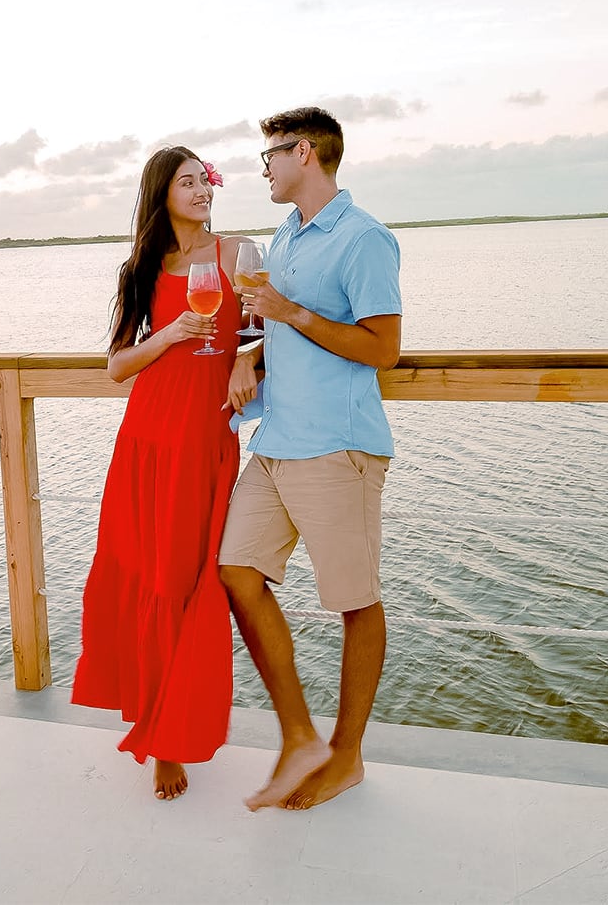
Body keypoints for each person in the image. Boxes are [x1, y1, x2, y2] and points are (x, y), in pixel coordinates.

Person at [221, 107, 402, 811]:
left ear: (304, 152)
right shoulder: (286, 235)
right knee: (236, 570)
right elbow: (286, 316)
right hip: (275, 444)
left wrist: (288, 315)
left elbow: (382, 348)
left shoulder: (364, 239)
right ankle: (299, 734)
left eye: (269, 155)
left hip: (337, 447)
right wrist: (253, 349)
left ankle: (347, 756)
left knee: (356, 601)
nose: (262, 167)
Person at [72, 147, 246, 800]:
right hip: (149, 439)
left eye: (206, 179)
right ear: (163, 193)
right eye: (188, 181)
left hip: (207, 442)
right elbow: (118, 366)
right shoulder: (144, 268)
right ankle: (161, 738)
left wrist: (245, 363)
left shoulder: (238, 254)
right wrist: (170, 334)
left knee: (199, 580)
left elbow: (257, 330)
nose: (203, 189)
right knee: (155, 578)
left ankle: (177, 722)